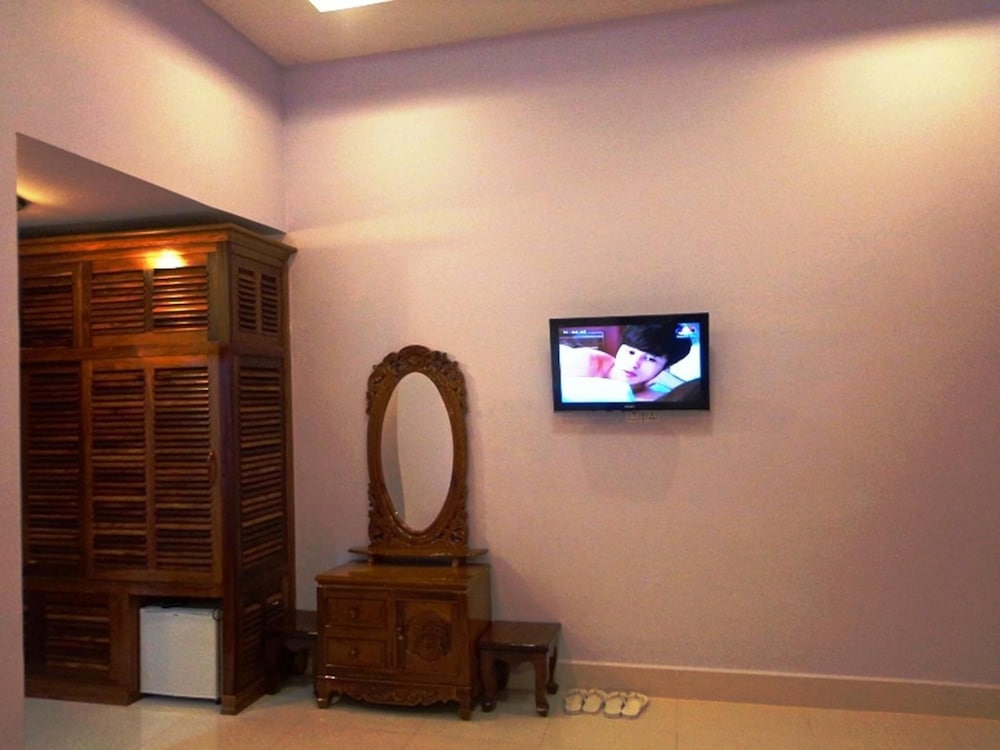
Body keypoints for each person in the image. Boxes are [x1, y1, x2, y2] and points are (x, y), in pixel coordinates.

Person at [560, 324, 693, 402]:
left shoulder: (659, 395)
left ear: (665, 368)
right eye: (631, 352)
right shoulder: (586, 362)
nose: (634, 363)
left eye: (650, 359)